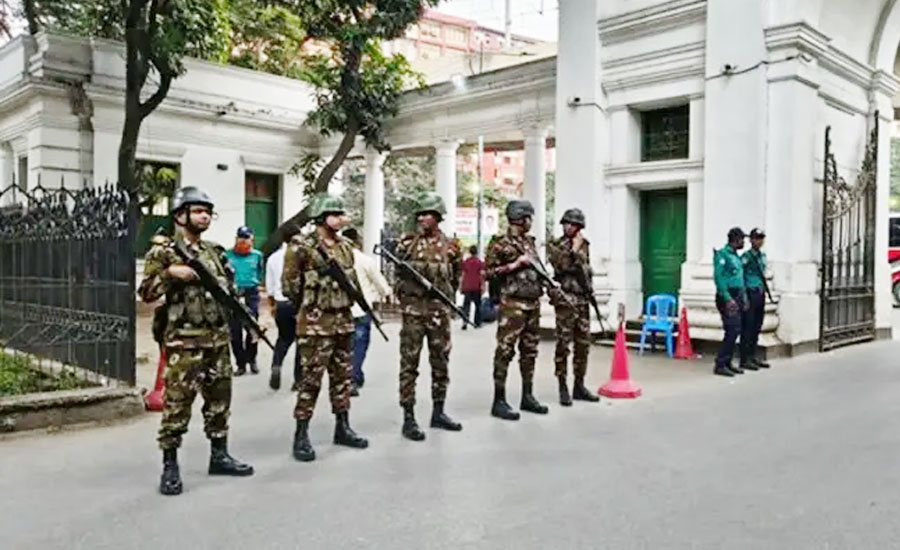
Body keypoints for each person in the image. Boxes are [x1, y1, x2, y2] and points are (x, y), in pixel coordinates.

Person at [138, 186, 253, 496]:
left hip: (216, 339)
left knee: (220, 401)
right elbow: (147, 292)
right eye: (198, 211)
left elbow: (229, 291)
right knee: (177, 406)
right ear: (180, 215)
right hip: (183, 343)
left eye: (207, 212)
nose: (204, 216)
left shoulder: (215, 252)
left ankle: (220, 455)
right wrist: (171, 274)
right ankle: (170, 465)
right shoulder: (164, 253)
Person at [282, 194, 368, 462]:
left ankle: (342, 426)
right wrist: (309, 308)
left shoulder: (345, 246)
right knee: (310, 381)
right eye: (337, 214)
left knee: (342, 378)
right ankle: (301, 434)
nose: (342, 218)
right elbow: (290, 286)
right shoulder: (301, 247)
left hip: (343, 321)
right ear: (321, 217)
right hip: (315, 324)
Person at [394, 192, 464, 440]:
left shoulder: (451, 247)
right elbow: (398, 278)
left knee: (441, 363)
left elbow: (455, 278)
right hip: (413, 313)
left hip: (439, 313)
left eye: (427, 214)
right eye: (420, 214)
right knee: (409, 365)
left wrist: (443, 303)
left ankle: (438, 411)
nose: (422, 218)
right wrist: (408, 302)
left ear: (438, 217)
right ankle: (409, 418)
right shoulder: (406, 244)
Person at [484, 199, 548, 421]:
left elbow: (538, 268)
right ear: (521, 219)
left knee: (530, 351)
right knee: (505, 350)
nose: (531, 222)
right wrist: (514, 265)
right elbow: (488, 273)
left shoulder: (529, 243)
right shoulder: (500, 243)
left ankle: (527, 395)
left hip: (532, 303)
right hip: (512, 304)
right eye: (529, 218)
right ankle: (498, 400)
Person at [547, 208, 600, 406]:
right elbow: (562, 266)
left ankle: (579, 384)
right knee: (563, 344)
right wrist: (575, 250)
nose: (568, 227)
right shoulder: (556, 245)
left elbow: (585, 270)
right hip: (566, 300)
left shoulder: (585, 245)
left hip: (582, 299)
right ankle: (562, 386)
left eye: (572, 224)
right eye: (566, 223)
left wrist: (590, 290)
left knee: (583, 344)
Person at [342, 227, 391, 396]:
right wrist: (382, 294)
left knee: (345, 347)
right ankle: (353, 378)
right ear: (358, 242)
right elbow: (382, 285)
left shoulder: (336, 259)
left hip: (341, 310)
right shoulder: (365, 260)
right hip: (361, 311)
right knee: (360, 346)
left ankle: (349, 376)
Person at [265, 224, 304, 391]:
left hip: (281, 304)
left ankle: (276, 364)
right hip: (299, 304)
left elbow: (270, 287)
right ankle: (298, 380)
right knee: (301, 341)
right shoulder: (303, 256)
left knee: (283, 338)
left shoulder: (274, 257)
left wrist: (272, 306)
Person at [225, 226, 264, 376]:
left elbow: (259, 273)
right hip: (233, 295)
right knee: (235, 332)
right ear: (236, 238)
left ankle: (252, 360)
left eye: (247, 238)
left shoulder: (257, 255)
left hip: (251, 294)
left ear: (252, 240)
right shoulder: (227, 255)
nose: (244, 241)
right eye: (241, 237)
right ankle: (240, 364)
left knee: (253, 329)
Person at [713, 227, 749, 377]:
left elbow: (740, 279)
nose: (744, 242)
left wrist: (744, 297)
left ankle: (728, 362)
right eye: (742, 239)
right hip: (727, 296)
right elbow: (719, 278)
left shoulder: (736, 256)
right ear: (736, 240)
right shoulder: (723, 255)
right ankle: (720, 363)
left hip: (738, 294)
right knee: (732, 329)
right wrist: (728, 299)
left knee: (736, 329)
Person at [741, 228, 770, 369]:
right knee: (748, 327)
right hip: (750, 293)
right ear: (751, 240)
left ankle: (753, 356)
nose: (759, 241)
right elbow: (740, 276)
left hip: (760, 293)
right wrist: (744, 296)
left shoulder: (762, 256)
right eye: (757, 238)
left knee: (757, 326)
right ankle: (744, 359)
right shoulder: (746, 257)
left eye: (761, 238)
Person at [460, 245, 484, 329]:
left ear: (470, 252)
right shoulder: (479, 262)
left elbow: (463, 275)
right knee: (478, 305)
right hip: (477, 286)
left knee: (466, 305)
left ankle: (465, 322)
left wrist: (461, 286)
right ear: (477, 252)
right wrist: (483, 286)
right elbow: (481, 275)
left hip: (467, 286)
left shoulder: (466, 261)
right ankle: (477, 323)